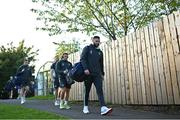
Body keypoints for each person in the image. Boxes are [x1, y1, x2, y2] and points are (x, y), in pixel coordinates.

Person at [80, 36, 112, 115]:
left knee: (100, 90)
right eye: (96, 41)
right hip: (88, 74)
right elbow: (82, 59)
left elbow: (101, 64)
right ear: (92, 40)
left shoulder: (100, 52)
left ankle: (103, 108)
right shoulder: (87, 48)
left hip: (97, 74)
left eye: (98, 41)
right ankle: (85, 107)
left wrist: (102, 74)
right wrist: (85, 69)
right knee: (87, 91)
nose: (97, 42)